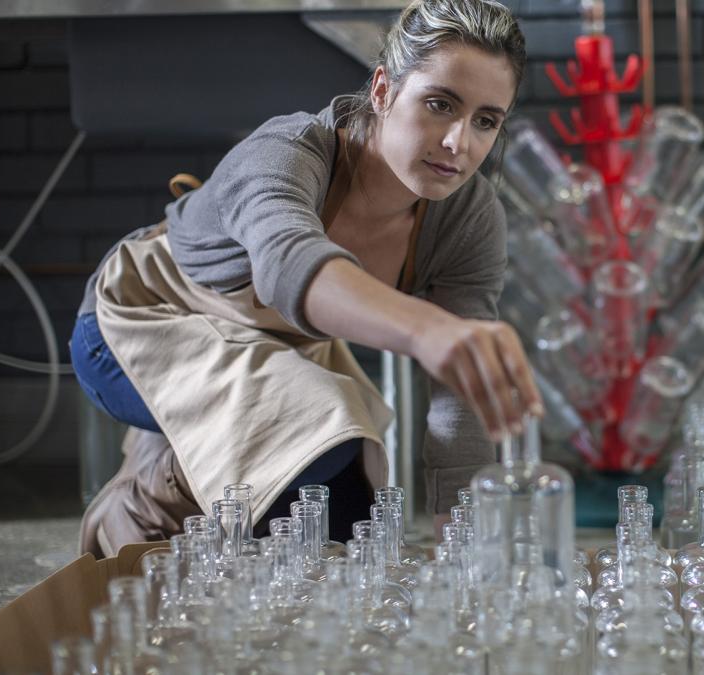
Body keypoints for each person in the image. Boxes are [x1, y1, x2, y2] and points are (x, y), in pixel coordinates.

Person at [70, 0, 540, 556]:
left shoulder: (468, 215)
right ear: (385, 91)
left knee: (353, 523)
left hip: (267, 351)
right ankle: (140, 502)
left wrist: (465, 547)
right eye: (440, 105)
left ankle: (194, 455)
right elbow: (289, 264)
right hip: (135, 331)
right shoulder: (285, 152)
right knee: (317, 433)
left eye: (486, 120)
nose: (459, 143)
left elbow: (459, 396)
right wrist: (425, 330)